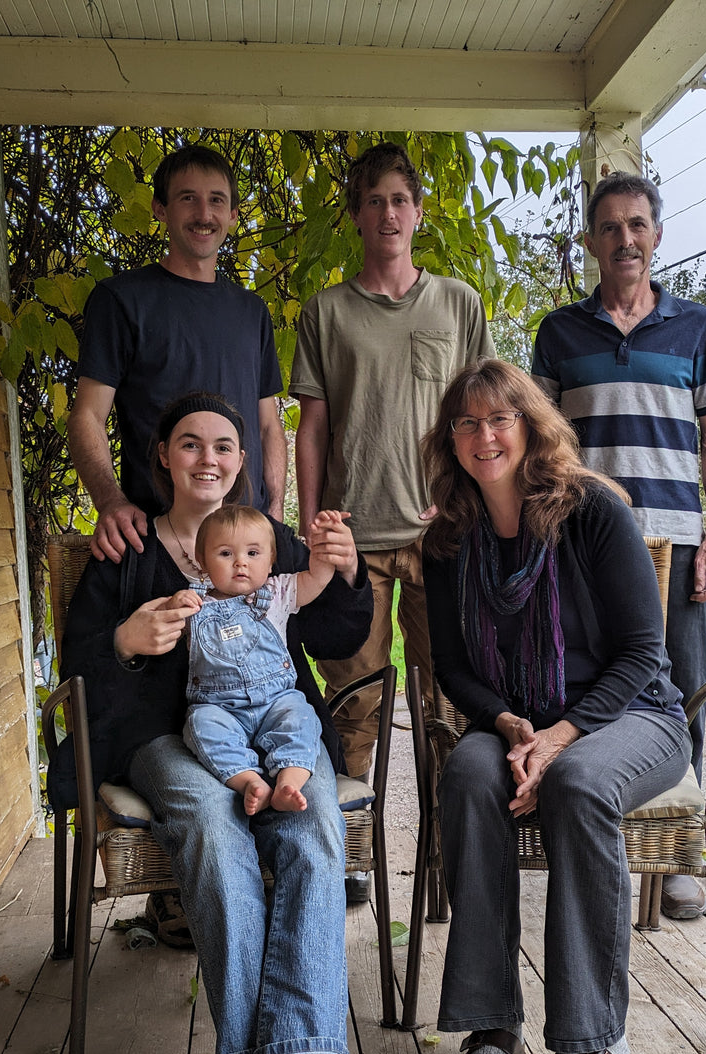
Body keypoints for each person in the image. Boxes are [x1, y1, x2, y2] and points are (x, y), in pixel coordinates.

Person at [59, 393, 372, 1054]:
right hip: (164, 739)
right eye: (191, 444)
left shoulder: (271, 539)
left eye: (225, 446)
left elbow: (332, 630)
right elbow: (76, 666)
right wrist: (124, 643)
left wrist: (344, 569)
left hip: (275, 733)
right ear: (162, 456)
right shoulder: (125, 546)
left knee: (315, 822)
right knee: (210, 816)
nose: (210, 458)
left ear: (243, 461)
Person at [420, 360, 690, 1054]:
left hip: (634, 716)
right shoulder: (447, 539)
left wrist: (561, 738)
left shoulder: (592, 513)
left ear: (531, 426)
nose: (484, 435)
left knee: (577, 782)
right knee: (470, 775)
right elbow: (454, 668)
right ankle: (493, 1026)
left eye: (498, 418)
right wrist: (509, 726)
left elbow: (644, 652)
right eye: (466, 423)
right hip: (517, 722)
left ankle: (598, 1041)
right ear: (451, 439)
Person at [530, 171, 706, 922]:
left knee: (680, 691)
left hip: (676, 541)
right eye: (611, 227)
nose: (626, 239)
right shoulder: (559, 333)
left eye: (638, 225)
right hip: (584, 548)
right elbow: (541, 443)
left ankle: (681, 861)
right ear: (591, 242)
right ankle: (604, 836)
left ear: (657, 235)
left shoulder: (698, 327)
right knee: (596, 686)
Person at [291, 143, 494, 902]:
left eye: (400, 200)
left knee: (448, 701)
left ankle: (447, 859)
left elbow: (484, 409)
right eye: (373, 201)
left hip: (443, 537)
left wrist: (470, 496)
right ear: (356, 214)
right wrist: (314, 523)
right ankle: (345, 855)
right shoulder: (327, 312)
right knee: (356, 701)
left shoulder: (457, 303)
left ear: (418, 211)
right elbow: (312, 427)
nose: (388, 214)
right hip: (356, 542)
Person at [69, 143, 287, 565]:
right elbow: (87, 416)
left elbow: (268, 426)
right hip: (158, 543)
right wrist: (110, 502)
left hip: (247, 545)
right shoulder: (121, 300)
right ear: (160, 209)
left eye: (217, 201)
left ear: (232, 216)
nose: (204, 214)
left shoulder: (252, 312)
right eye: (188, 198)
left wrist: (274, 511)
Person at [173, 504, 352, 815]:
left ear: (271, 561)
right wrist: (174, 606)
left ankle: (289, 782)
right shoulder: (195, 605)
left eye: (253, 554)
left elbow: (318, 577)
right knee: (200, 726)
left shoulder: (278, 592)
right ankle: (250, 783)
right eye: (226, 554)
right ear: (201, 561)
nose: (240, 562)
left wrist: (324, 545)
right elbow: (164, 628)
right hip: (220, 708)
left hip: (276, 701)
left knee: (301, 719)